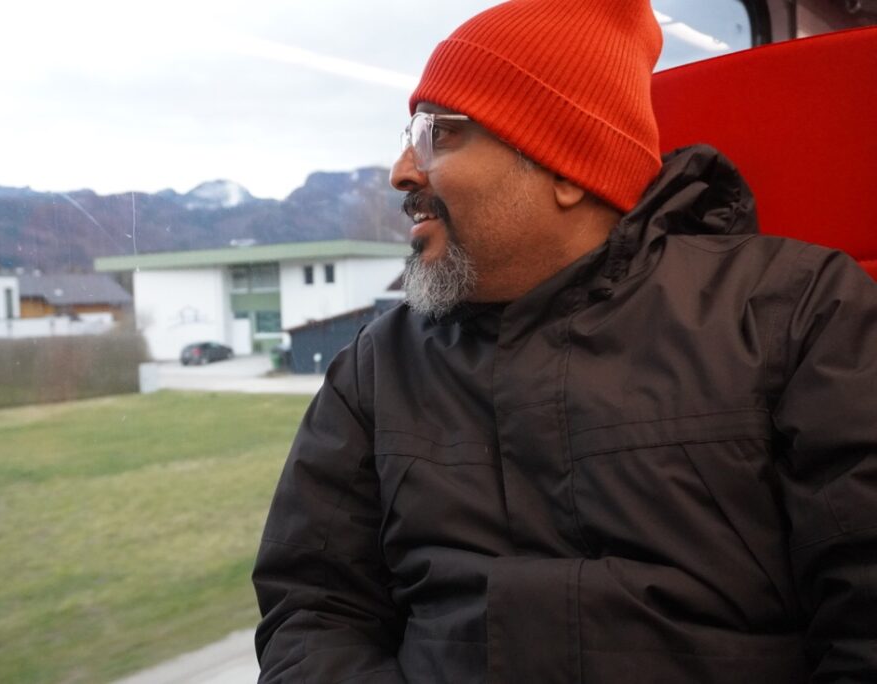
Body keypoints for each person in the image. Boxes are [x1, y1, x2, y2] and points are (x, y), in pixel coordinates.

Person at [252, 1, 877, 681]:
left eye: (439, 135)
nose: (402, 172)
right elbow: (313, 609)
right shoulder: (378, 366)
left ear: (566, 167)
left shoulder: (794, 311)